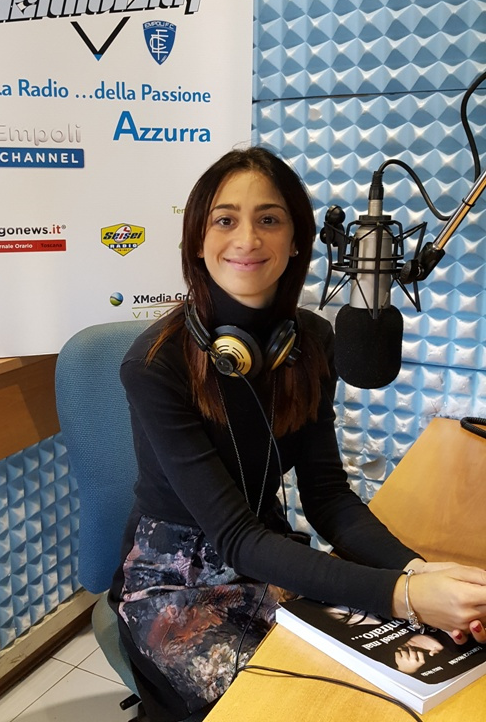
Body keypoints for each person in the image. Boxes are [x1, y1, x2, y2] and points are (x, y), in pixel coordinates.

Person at [108, 146, 486, 722]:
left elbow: (328, 496)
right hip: (174, 584)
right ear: (197, 241)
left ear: (296, 242)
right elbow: (234, 536)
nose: (247, 238)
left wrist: (417, 570)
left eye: (269, 218)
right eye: (225, 219)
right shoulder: (155, 364)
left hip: (267, 554)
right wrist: (405, 596)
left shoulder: (308, 342)